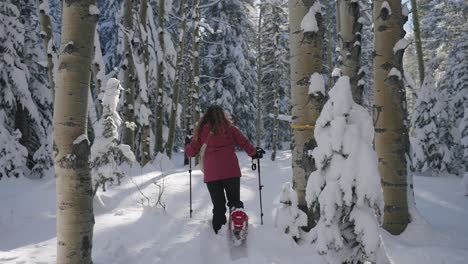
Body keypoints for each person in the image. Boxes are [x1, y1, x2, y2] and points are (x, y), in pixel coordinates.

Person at [185, 105, 264, 234]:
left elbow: (191, 152)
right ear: (223, 116)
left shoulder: (201, 132)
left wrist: (188, 144)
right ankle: (238, 224)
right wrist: (255, 153)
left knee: (219, 206)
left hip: (212, 175)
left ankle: (218, 232)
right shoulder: (230, 129)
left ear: (206, 117)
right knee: (234, 201)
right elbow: (244, 142)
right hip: (231, 171)